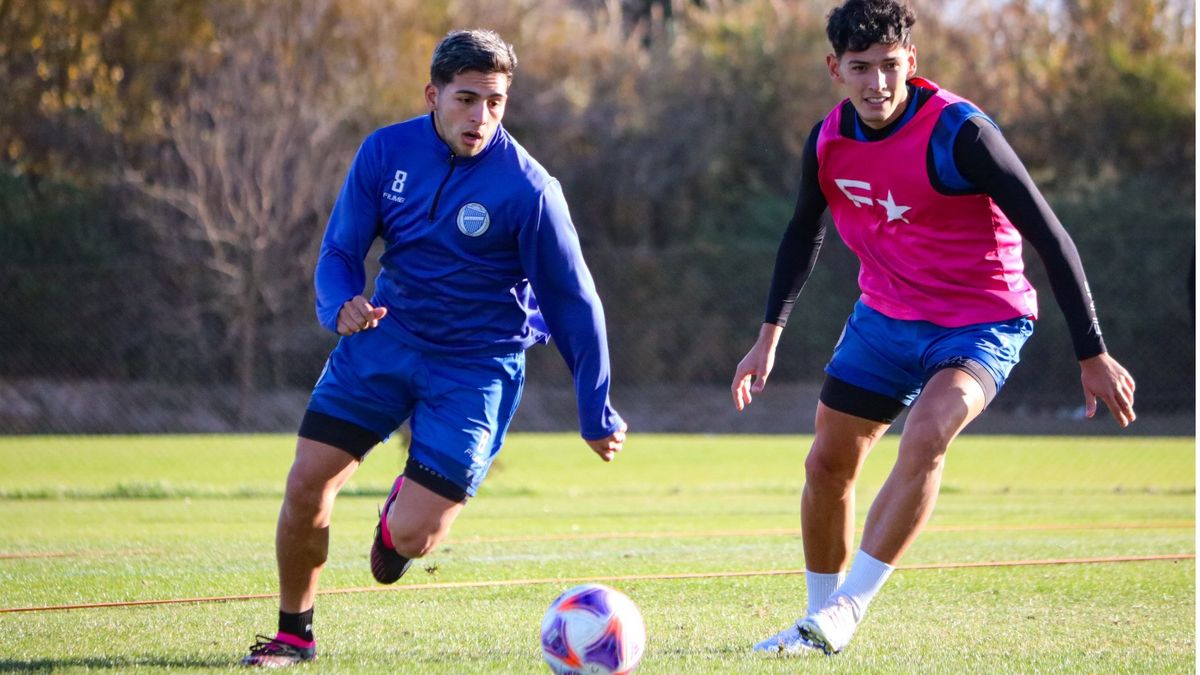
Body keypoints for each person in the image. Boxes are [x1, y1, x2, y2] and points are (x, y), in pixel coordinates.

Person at [731, 0, 1135, 657]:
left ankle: (849, 607)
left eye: (890, 66)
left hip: (982, 321)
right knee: (827, 462)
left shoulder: (961, 133)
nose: (877, 83)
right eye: (860, 68)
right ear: (836, 68)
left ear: (910, 63)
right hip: (885, 318)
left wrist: (1092, 351)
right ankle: (815, 622)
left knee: (927, 432)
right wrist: (768, 335)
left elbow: (1050, 235)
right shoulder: (828, 140)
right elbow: (804, 230)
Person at [241, 29, 627, 667]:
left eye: (495, 103)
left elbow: (575, 305)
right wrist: (341, 303)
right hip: (383, 340)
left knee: (416, 539)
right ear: (434, 94)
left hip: (476, 369)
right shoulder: (384, 151)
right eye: (467, 99)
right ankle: (292, 634)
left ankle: (401, 516)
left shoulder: (529, 189)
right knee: (308, 484)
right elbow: (341, 248)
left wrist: (595, 409)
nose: (481, 117)